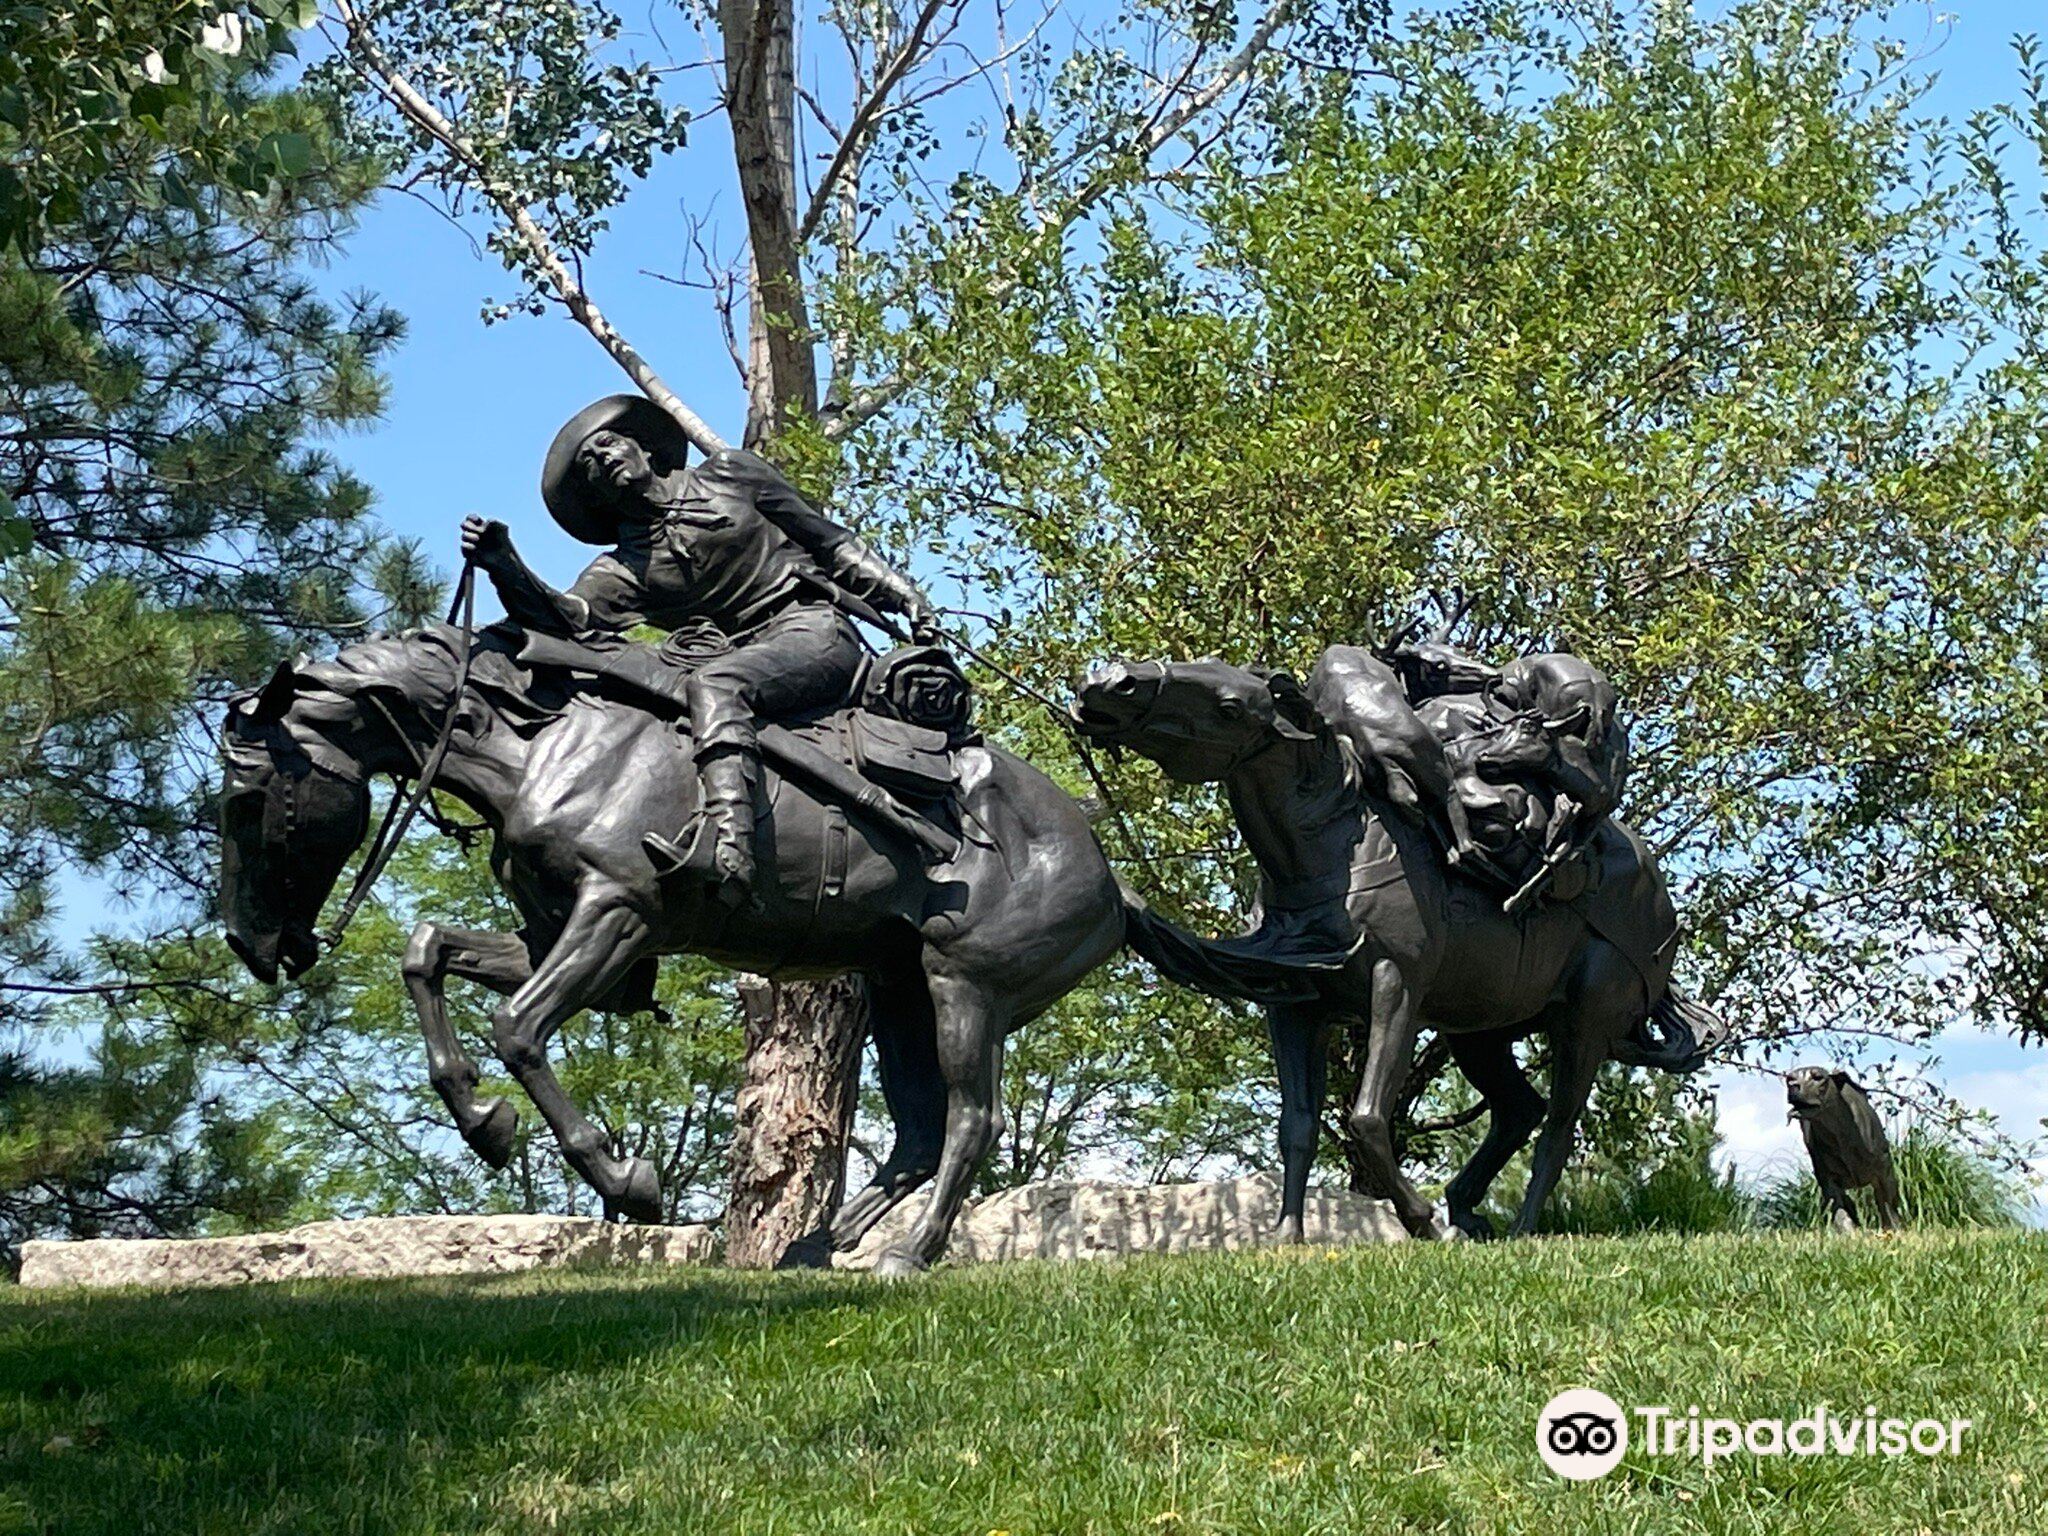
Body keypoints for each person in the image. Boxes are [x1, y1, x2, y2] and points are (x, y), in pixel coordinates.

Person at [460, 394, 939, 900]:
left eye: (607, 444)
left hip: (811, 632)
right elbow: (565, 620)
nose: (602, 458)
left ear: (643, 446)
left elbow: (830, 541)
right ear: (593, 497)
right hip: (735, 656)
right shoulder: (620, 571)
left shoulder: (731, 474)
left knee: (713, 685)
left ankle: (729, 839)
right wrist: (504, 564)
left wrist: (905, 596)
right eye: (588, 465)